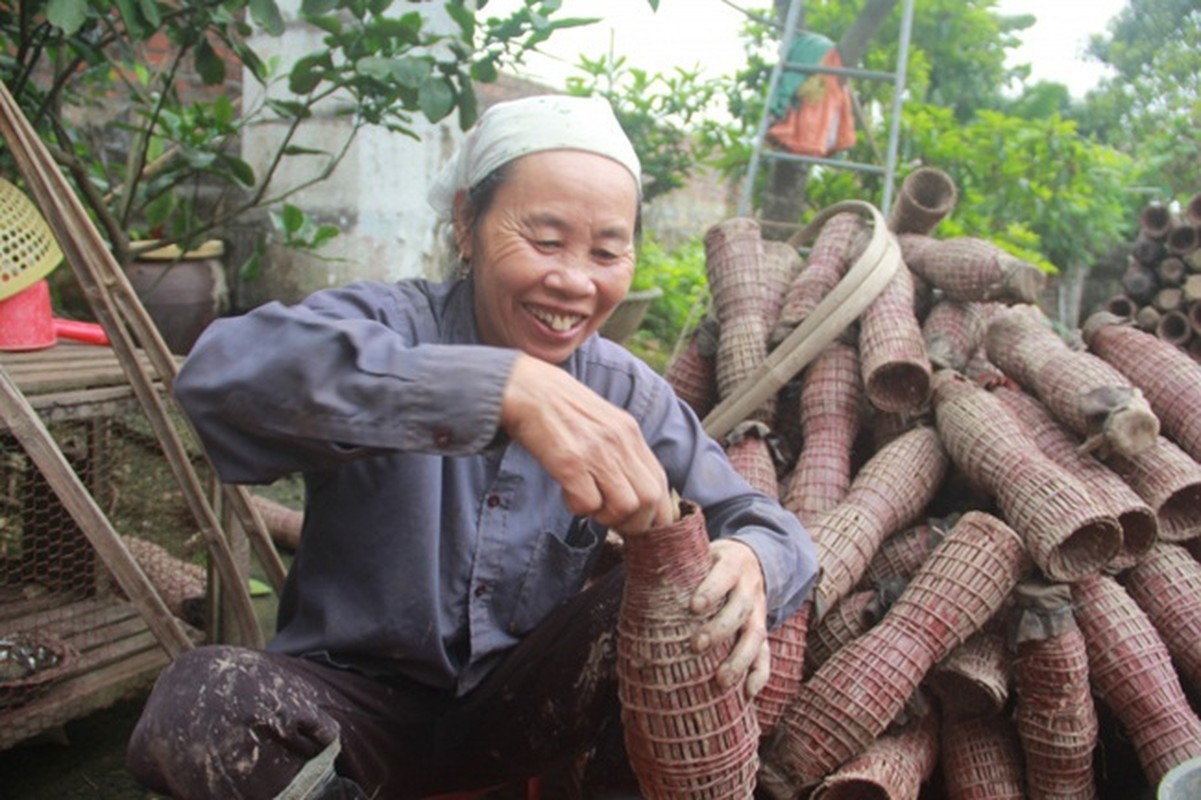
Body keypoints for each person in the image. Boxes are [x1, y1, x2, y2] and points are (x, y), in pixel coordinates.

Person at [125, 94, 818, 800]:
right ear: (466, 223)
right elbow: (221, 375)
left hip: (521, 707)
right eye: (545, 242)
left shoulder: (624, 393)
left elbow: (764, 520)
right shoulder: (388, 323)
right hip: (345, 705)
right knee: (199, 702)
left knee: (682, 593)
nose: (575, 281)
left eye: (606, 251)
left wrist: (752, 558)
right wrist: (499, 389)